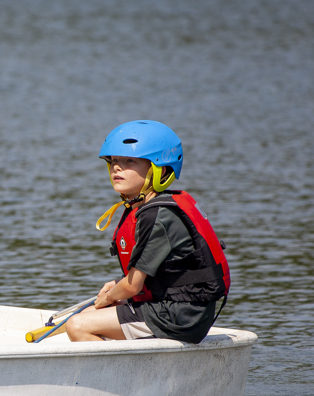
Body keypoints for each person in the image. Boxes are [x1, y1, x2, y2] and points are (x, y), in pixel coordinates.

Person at [65, 120, 230, 343]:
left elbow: (133, 286)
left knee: (77, 325)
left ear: (158, 169)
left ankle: (120, 378)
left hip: (181, 316)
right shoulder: (151, 209)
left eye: (129, 160)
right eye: (114, 161)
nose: (117, 167)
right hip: (175, 308)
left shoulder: (158, 216)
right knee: (87, 316)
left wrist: (107, 298)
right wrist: (115, 287)